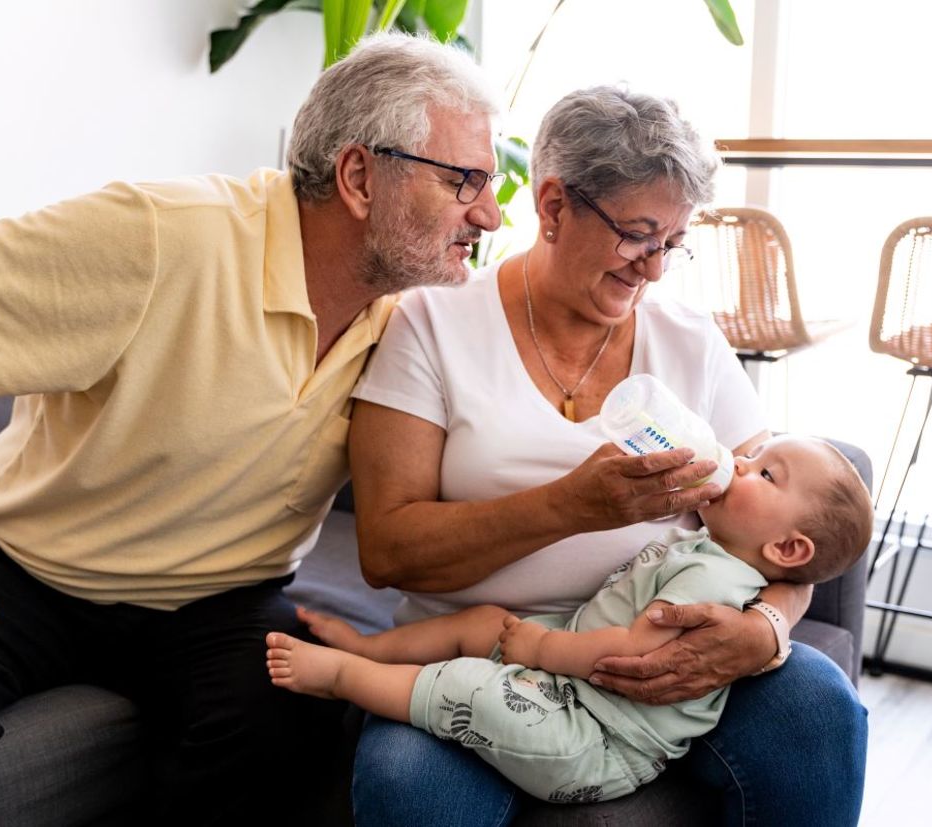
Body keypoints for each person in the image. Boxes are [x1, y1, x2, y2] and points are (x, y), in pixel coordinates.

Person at [0, 33, 504, 826]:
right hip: (26, 567)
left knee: (298, 721)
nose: (488, 213)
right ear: (358, 176)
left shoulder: (420, 317)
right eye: (464, 182)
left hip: (221, 599)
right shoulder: (163, 234)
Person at [344, 85, 871, 826]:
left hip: (655, 661)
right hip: (481, 652)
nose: (653, 268)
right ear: (554, 205)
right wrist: (569, 507)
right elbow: (386, 549)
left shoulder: (690, 339)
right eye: (638, 235)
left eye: (673, 243)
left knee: (819, 710)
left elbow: (788, 537)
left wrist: (765, 630)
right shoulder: (432, 325)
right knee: (411, 786)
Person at [268, 434, 873, 804]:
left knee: (467, 687)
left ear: (787, 552)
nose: (738, 463)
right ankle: (373, 646)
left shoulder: (715, 580)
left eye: (764, 473)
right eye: (751, 456)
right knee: (480, 622)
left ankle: (342, 677)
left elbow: (636, 650)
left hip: (596, 735)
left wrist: (536, 651)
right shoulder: (709, 550)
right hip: (572, 667)